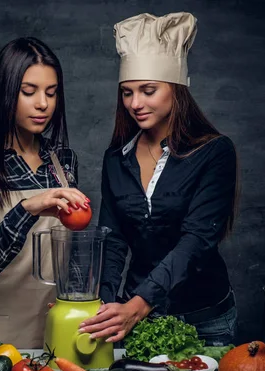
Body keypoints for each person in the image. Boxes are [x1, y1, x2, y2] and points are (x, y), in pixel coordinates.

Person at [79, 12, 239, 346]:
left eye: (148, 90)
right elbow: (113, 238)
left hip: (205, 320)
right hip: (136, 319)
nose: (135, 104)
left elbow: (196, 241)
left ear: (176, 89)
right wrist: (107, 304)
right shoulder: (116, 158)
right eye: (127, 93)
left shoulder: (215, 152)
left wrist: (138, 304)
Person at [0, 37, 90, 349]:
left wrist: (79, 305)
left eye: (51, 93)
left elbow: (67, 254)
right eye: (29, 92)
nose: (43, 104)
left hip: (55, 329)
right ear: (5, 93)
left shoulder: (63, 161)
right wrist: (26, 209)